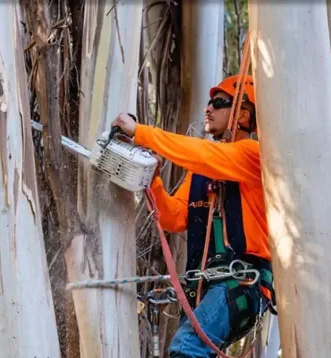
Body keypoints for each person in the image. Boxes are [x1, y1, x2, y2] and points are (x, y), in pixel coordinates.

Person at [111, 75, 275, 357]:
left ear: (243, 115)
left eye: (219, 103)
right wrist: (154, 180)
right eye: (209, 102)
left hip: (241, 283)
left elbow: (200, 153)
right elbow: (173, 217)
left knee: (186, 348)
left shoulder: (253, 154)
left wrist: (141, 132)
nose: (208, 108)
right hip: (205, 287)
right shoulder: (202, 171)